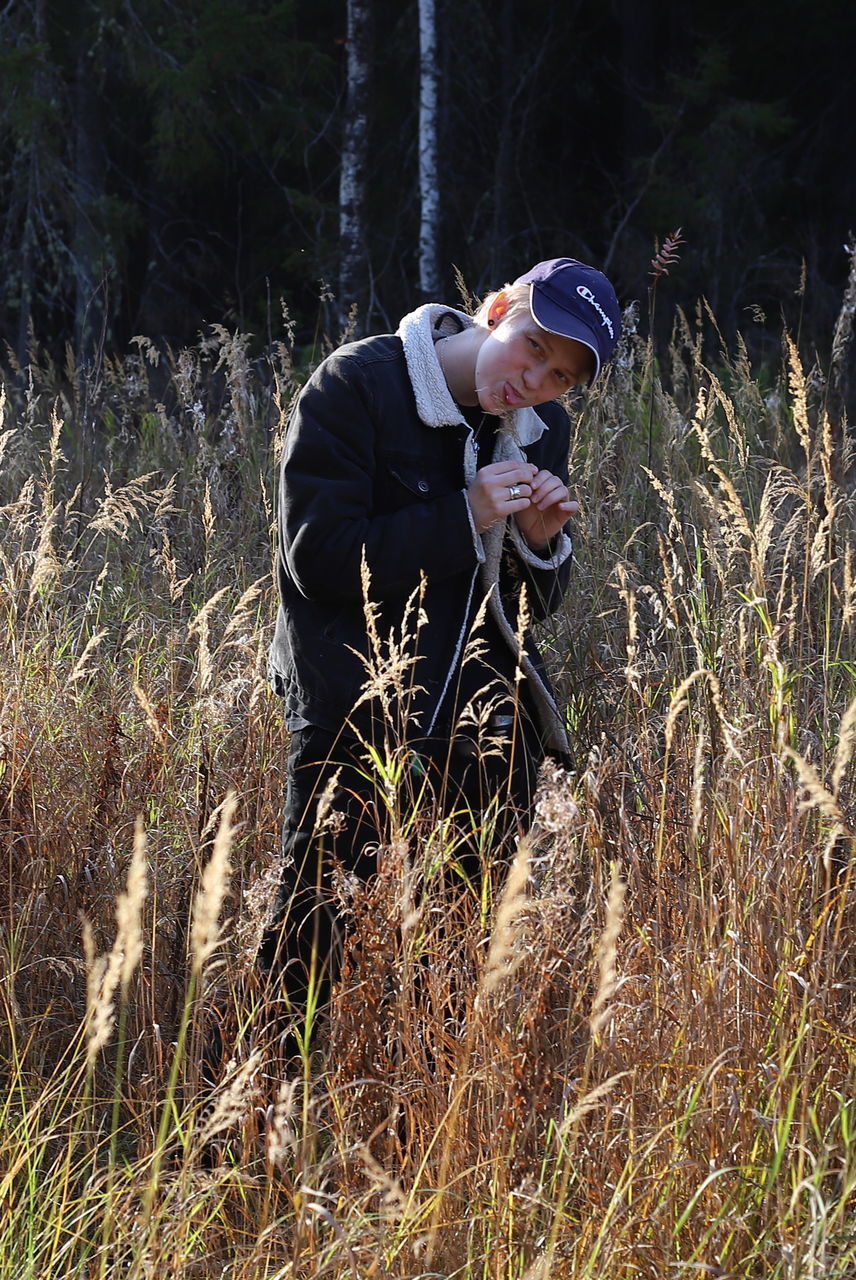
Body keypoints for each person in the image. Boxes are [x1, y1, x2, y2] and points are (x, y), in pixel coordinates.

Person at [259, 257, 621, 1037]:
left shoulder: (541, 429)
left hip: (480, 713)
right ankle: (257, 1124)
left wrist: (540, 545)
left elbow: (527, 608)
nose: (534, 382)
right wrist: (466, 514)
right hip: (351, 699)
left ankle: (421, 1119)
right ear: (497, 310)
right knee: (314, 926)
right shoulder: (359, 383)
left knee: (463, 938)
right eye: (532, 347)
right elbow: (317, 562)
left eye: (559, 376)